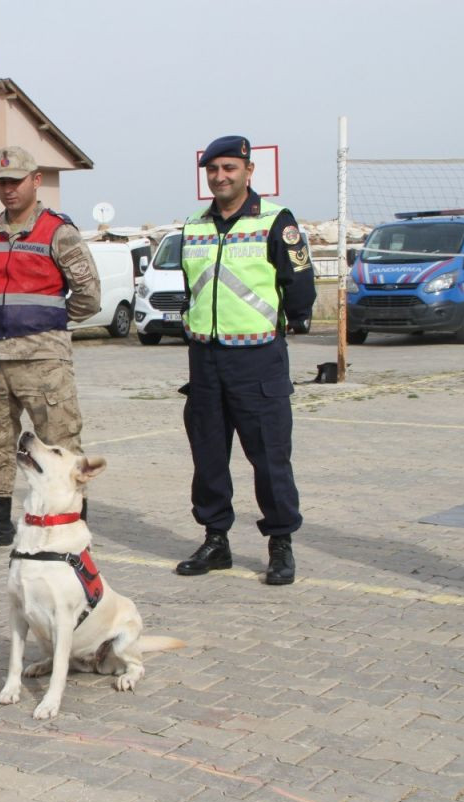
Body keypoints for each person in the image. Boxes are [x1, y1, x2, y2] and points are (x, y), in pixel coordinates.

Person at [174, 135, 315, 586]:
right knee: (209, 457)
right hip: (206, 359)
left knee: (270, 458)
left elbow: (300, 285)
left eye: (230, 169)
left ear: (249, 172)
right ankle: (216, 541)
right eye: (213, 170)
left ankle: (280, 545)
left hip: (258, 359)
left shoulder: (277, 220)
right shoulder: (193, 224)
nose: (221, 177)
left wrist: (290, 323)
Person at [0, 146, 101, 552]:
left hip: (43, 361)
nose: (8, 190)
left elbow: (88, 295)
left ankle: (71, 527)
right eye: (2, 182)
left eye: (15, 181)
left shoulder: (58, 231)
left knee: (61, 444)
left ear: (36, 180)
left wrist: (47, 322)